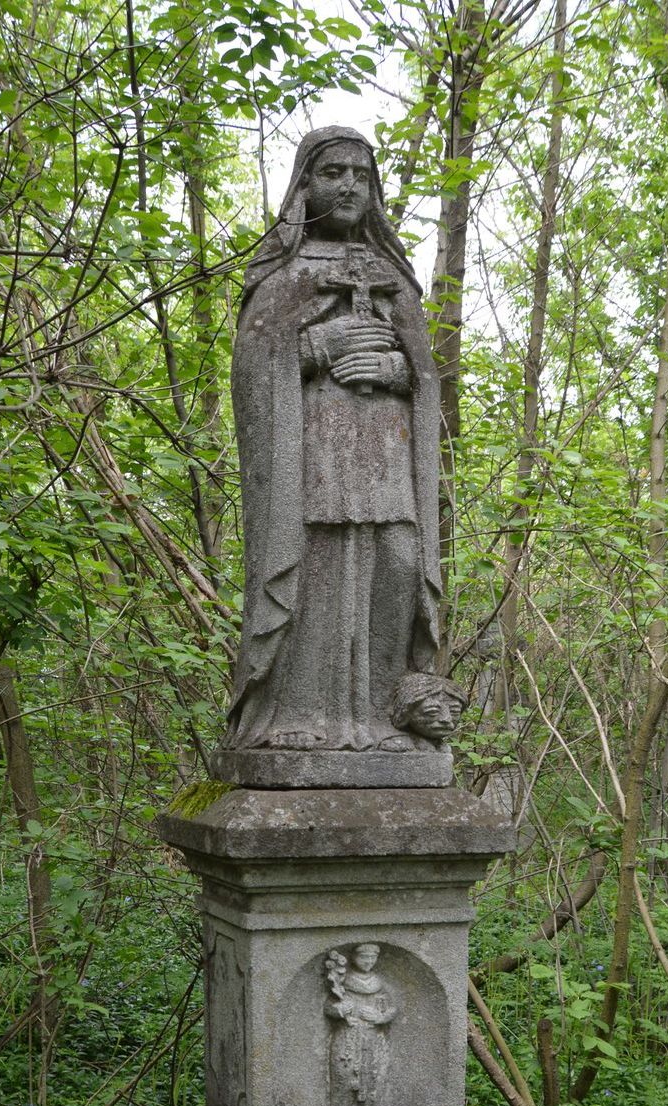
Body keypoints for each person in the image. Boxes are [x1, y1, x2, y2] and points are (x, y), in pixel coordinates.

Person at [223, 127, 443, 757]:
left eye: (362, 176)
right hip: (312, 454)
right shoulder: (282, 271)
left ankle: (377, 717)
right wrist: (317, 349)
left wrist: (395, 371)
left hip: (385, 455)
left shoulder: (391, 275)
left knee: (398, 566)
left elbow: (425, 373)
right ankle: (297, 715)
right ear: (304, 187)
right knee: (314, 571)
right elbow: (251, 368)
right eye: (333, 173)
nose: (349, 185)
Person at [324, 944, 397, 1106]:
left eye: (372, 958)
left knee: (374, 1071)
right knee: (344, 1071)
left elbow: (392, 1008)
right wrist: (341, 1009)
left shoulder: (379, 982)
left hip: (373, 1036)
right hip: (348, 1036)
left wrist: (379, 1017)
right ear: (354, 958)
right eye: (364, 957)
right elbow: (328, 1007)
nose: (368, 961)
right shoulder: (342, 982)